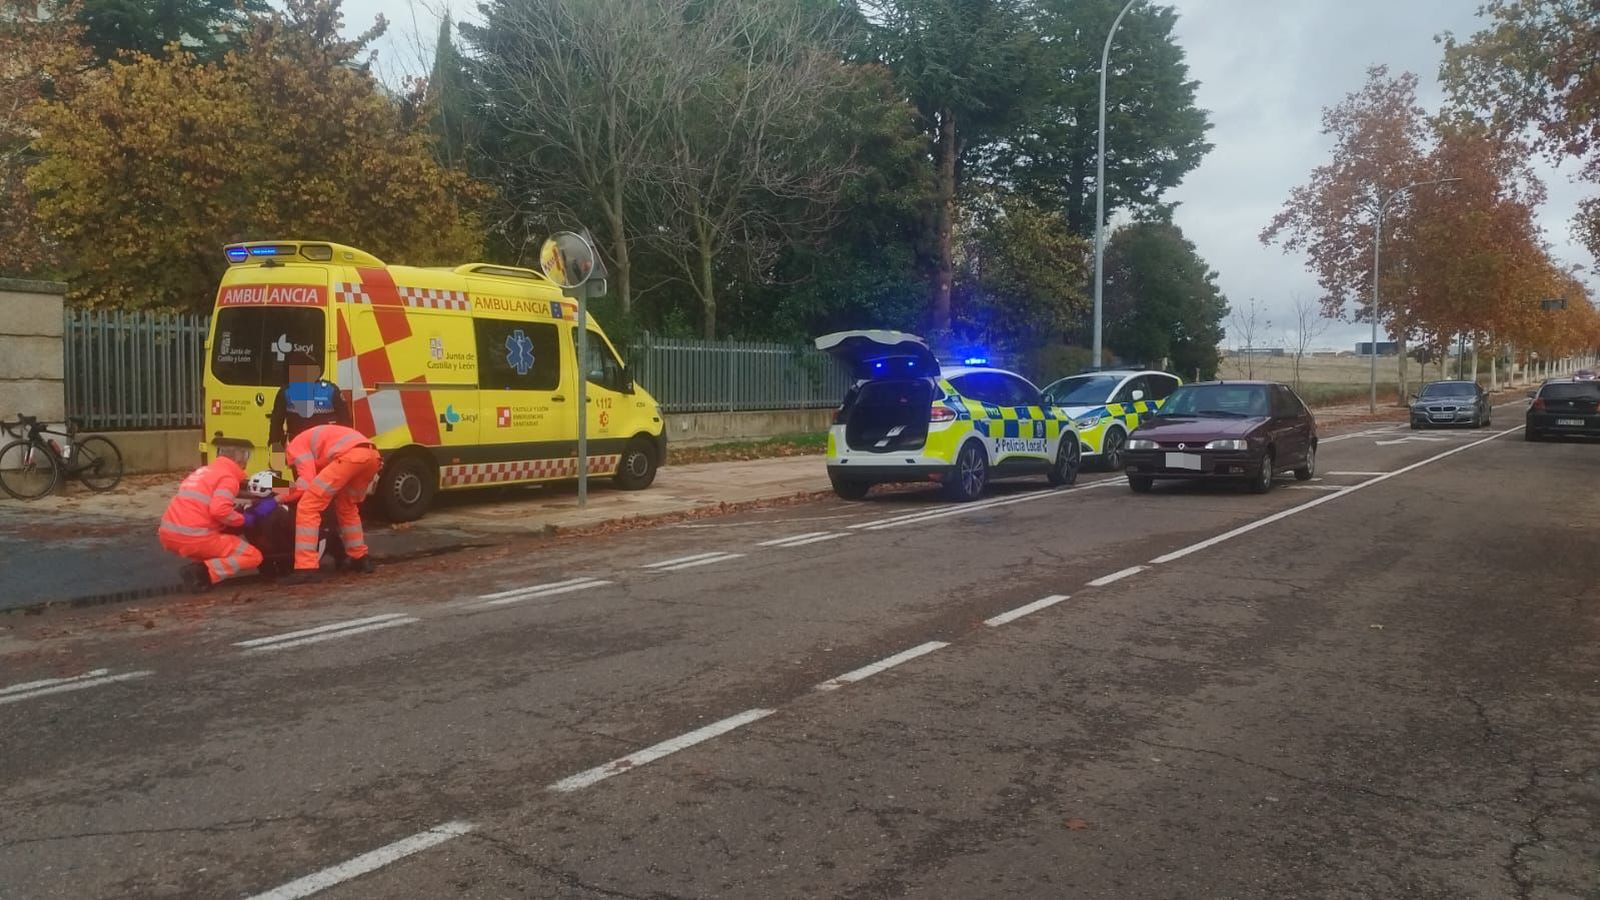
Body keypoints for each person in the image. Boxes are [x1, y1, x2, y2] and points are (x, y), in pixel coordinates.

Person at [159, 438, 276, 593]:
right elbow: (219, 510)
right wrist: (244, 519)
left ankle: (201, 569)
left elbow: (204, 505)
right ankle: (203, 573)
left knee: (215, 545)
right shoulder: (228, 478)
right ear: (242, 459)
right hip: (195, 537)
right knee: (253, 556)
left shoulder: (202, 472)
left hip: (170, 534)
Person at [278, 424, 381, 584]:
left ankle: (306, 567)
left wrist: (279, 497)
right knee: (347, 507)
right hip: (372, 457)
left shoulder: (294, 447)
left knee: (308, 506)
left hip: (350, 458)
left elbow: (305, 483)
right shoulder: (313, 440)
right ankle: (360, 558)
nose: (292, 467)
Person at [268, 356, 351, 450]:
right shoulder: (331, 390)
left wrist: (276, 455)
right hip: (322, 449)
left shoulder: (286, 391)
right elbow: (346, 423)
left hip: (301, 449)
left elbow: (276, 427)